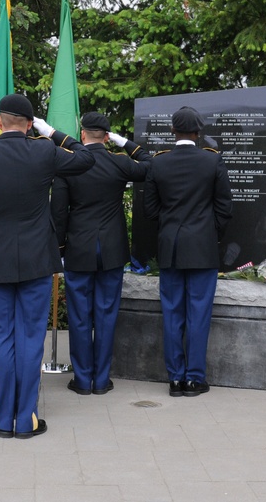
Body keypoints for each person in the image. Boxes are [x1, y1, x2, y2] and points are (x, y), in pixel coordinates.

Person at [0, 94, 95, 439]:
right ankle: (26, 418)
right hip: (36, 260)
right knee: (31, 338)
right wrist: (55, 134)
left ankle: (3, 418)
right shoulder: (44, 149)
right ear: (30, 124)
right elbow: (87, 157)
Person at [51, 111, 151, 396]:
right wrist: (126, 144)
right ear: (107, 137)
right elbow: (149, 165)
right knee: (106, 315)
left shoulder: (68, 164)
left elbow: (58, 212)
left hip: (78, 250)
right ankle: (101, 379)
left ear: (82, 134)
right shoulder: (119, 162)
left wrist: (59, 250)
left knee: (80, 316)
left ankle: (82, 380)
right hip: (111, 250)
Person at [143, 106, 233, 397]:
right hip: (202, 249)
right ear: (198, 132)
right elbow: (224, 208)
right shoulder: (212, 161)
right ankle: (194, 379)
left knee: (172, 314)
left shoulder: (159, 163)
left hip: (171, 247)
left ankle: (175, 379)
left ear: (173, 131)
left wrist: (171, 227)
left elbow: (150, 210)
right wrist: (208, 232)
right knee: (198, 314)